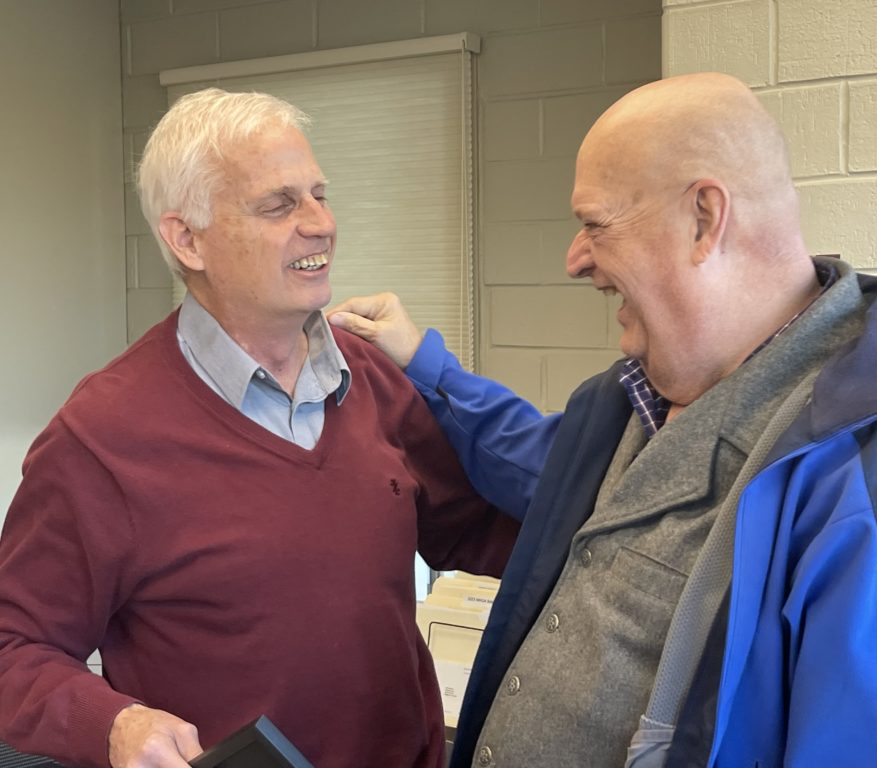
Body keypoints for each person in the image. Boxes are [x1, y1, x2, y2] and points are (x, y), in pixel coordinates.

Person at [329, 72, 877, 767]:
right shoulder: (636, 396)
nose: (575, 261)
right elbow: (547, 469)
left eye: (595, 224)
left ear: (703, 219)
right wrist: (426, 364)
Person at [0, 88, 520, 768]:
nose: (320, 223)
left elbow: (480, 529)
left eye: (320, 195)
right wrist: (114, 724)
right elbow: (12, 646)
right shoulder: (101, 438)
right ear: (187, 238)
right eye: (280, 205)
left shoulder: (373, 377)